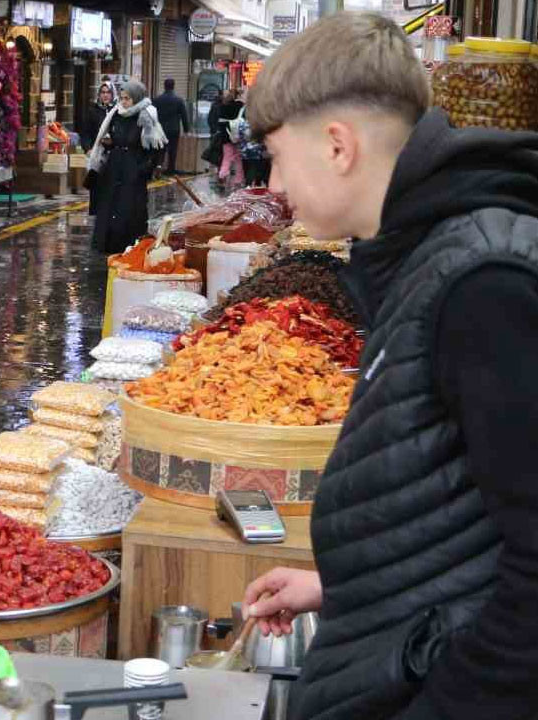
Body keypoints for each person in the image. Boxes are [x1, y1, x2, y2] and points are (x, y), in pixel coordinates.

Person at [238, 12, 538, 720]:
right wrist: (349, 588)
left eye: (276, 155)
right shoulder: (420, 259)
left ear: (337, 145)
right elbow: (458, 501)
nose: (274, 184)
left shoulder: (480, 285)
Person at [88, 80, 166, 254]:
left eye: (127, 99)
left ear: (136, 98)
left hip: (133, 169)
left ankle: (130, 245)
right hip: (114, 167)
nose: (123, 102)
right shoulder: (116, 114)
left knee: (130, 208)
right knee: (109, 205)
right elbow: (115, 137)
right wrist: (109, 144)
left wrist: (144, 168)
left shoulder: (146, 116)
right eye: (122, 98)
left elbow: (157, 146)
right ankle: (108, 244)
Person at [81, 83, 113, 214]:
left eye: (108, 92)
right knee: (96, 186)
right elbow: (85, 133)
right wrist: (87, 148)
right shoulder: (92, 111)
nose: (105, 95)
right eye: (103, 92)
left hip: (112, 154)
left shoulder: (116, 111)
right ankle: (95, 213)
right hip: (97, 154)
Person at [153, 78, 191, 174]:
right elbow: (184, 116)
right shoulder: (179, 100)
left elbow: (153, 114)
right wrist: (186, 130)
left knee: (160, 149)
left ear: (164, 86)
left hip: (160, 129)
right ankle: (171, 169)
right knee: (172, 149)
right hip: (174, 129)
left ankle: (158, 167)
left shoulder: (157, 100)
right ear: (173, 86)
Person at [216, 88, 245, 186]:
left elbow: (219, 121)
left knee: (227, 156)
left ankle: (222, 174)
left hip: (225, 136)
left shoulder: (222, 106)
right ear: (238, 95)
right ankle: (238, 179)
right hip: (237, 135)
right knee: (238, 158)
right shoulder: (240, 106)